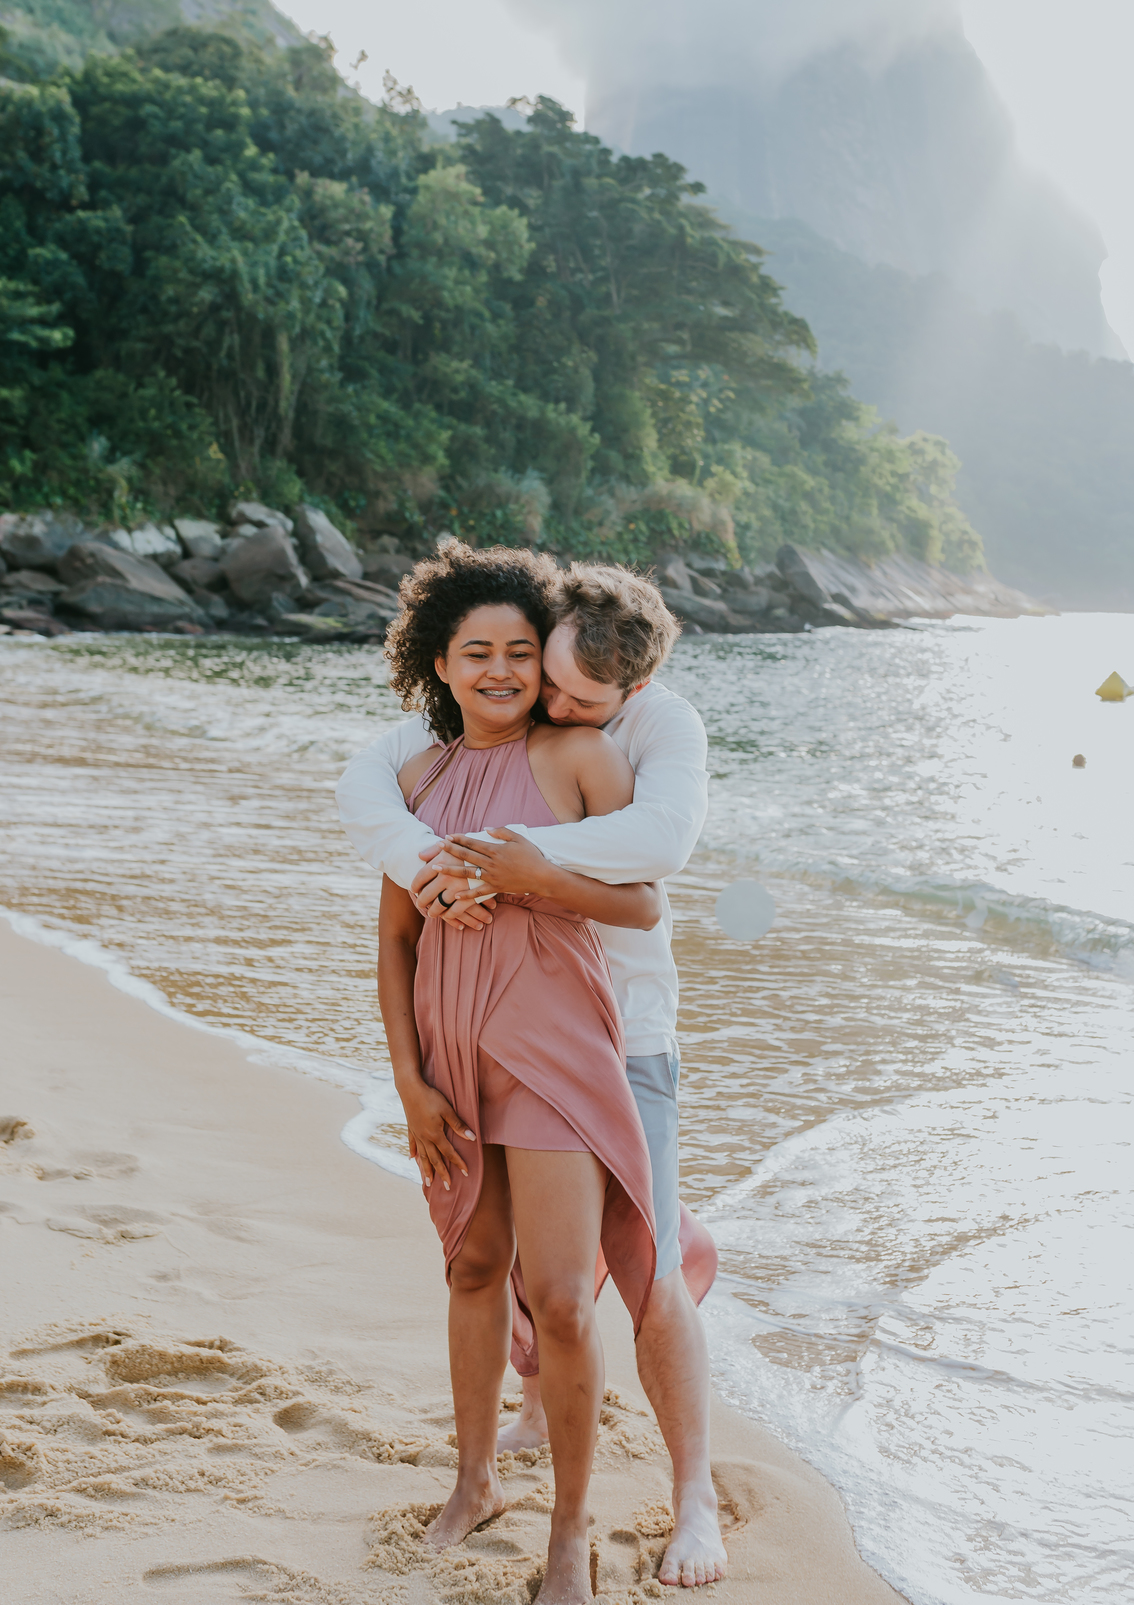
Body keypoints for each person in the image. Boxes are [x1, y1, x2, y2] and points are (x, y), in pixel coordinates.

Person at [338, 557, 728, 1589]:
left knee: (562, 1297)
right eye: (483, 654)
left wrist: (533, 877)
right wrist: (410, 1083)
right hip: (455, 1053)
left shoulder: (587, 754)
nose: (512, 673)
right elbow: (393, 942)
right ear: (441, 663)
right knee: (473, 1269)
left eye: (525, 653)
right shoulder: (415, 780)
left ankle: (572, 1531)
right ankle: (475, 1482)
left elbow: (647, 900)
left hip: (568, 1052)